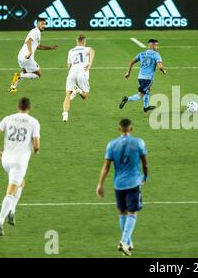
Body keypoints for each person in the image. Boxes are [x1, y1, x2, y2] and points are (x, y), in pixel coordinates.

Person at [96, 119, 148, 256]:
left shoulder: (112, 145)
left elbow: (106, 166)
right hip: (133, 183)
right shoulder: (139, 143)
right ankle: (124, 241)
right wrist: (145, 177)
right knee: (133, 213)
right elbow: (145, 164)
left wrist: (100, 184)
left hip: (118, 184)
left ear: (119, 129)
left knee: (122, 213)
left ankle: (128, 243)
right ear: (132, 129)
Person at [0, 97, 40, 235]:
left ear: (18, 107)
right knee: (11, 191)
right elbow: (36, 145)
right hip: (19, 162)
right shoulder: (33, 122)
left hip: (5, 159)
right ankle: (0, 220)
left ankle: (12, 210)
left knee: (21, 182)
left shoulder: (8, 118)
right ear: (29, 108)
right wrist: (36, 150)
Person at [9, 18, 58, 92]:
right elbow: (29, 41)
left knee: (25, 71)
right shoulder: (35, 31)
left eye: (45, 24)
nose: (44, 26)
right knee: (38, 74)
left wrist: (51, 47)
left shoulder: (37, 33)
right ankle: (20, 76)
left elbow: (38, 46)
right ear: (37, 24)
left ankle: (12, 87)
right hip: (27, 57)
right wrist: (30, 52)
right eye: (42, 24)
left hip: (21, 56)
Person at [119, 39, 166, 112]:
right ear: (152, 45)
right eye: (156, 45)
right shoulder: (156, 54)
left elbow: (132, 62)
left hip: (140, 77)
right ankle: (127, 99)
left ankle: (146, 107)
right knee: (140, 95)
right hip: (148, 79)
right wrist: (164, 70)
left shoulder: (141, 54)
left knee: (147, 90)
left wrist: (128, 72)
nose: (157, 47)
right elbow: (160, 66)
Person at [62, 34, 95, 122]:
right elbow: (92, 51)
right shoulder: (86, 49)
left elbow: (68, 66)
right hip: (82, 73)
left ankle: (65, 114)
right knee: (84, 96)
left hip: (72, 73)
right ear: (84, 41)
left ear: (77, 41)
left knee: (67, 95)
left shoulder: (71, 51)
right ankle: (78, 90)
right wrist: (90, 63)